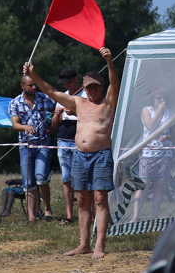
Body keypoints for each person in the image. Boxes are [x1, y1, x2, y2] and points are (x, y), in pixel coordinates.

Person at [24, 47, 119, 259]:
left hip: (101, 155)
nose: (93, 91)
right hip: (79, 155)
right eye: (89, 88)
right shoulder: (78, 102)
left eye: (96, 87)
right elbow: (50, 91)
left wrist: (109, 61)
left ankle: (99, 246)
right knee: (83, 201)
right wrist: (33, 74)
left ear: (101, 87)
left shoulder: (108, 102)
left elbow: (115, 83)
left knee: (100, 200)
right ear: (84, 88)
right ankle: (84, 244)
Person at [9, 74, 56, 221]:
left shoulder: (45, 98)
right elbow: (15, 125)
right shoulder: (15, 102)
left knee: (41, 178)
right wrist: (25, 127)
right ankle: (32, 216)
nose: (34, 87)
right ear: (23, 86)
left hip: (43, 143)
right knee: (28, 182)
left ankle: (47, 210)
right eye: (31, 85)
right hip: (25, 146)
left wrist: (53, 126)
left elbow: (59, 108)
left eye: (35, 84)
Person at [132, 88, 175, 222]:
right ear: (153, 98)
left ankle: (153, 217)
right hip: (148, 153)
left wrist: (168, 136)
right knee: (143, 184)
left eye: (163, 97)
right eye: (158, 97)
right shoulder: (147, 110)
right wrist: (160, 111)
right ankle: (135, 217)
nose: (161, 100)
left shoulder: (170, 112)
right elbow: (150, 125)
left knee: (160, 185)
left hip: (165, 154)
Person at [50, 67, 87, 225]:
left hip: (81, 140)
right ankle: (69, 216)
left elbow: (93, 118)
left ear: (76, 79)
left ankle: (88, 213)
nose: (66, 85)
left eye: (68, 82)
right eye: (63, 83)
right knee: (66, 179)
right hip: (63, 140)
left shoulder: (86, 95)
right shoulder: (62, 97)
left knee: (83, 179)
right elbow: (53, 125)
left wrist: (76, 113)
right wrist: (57, 115)